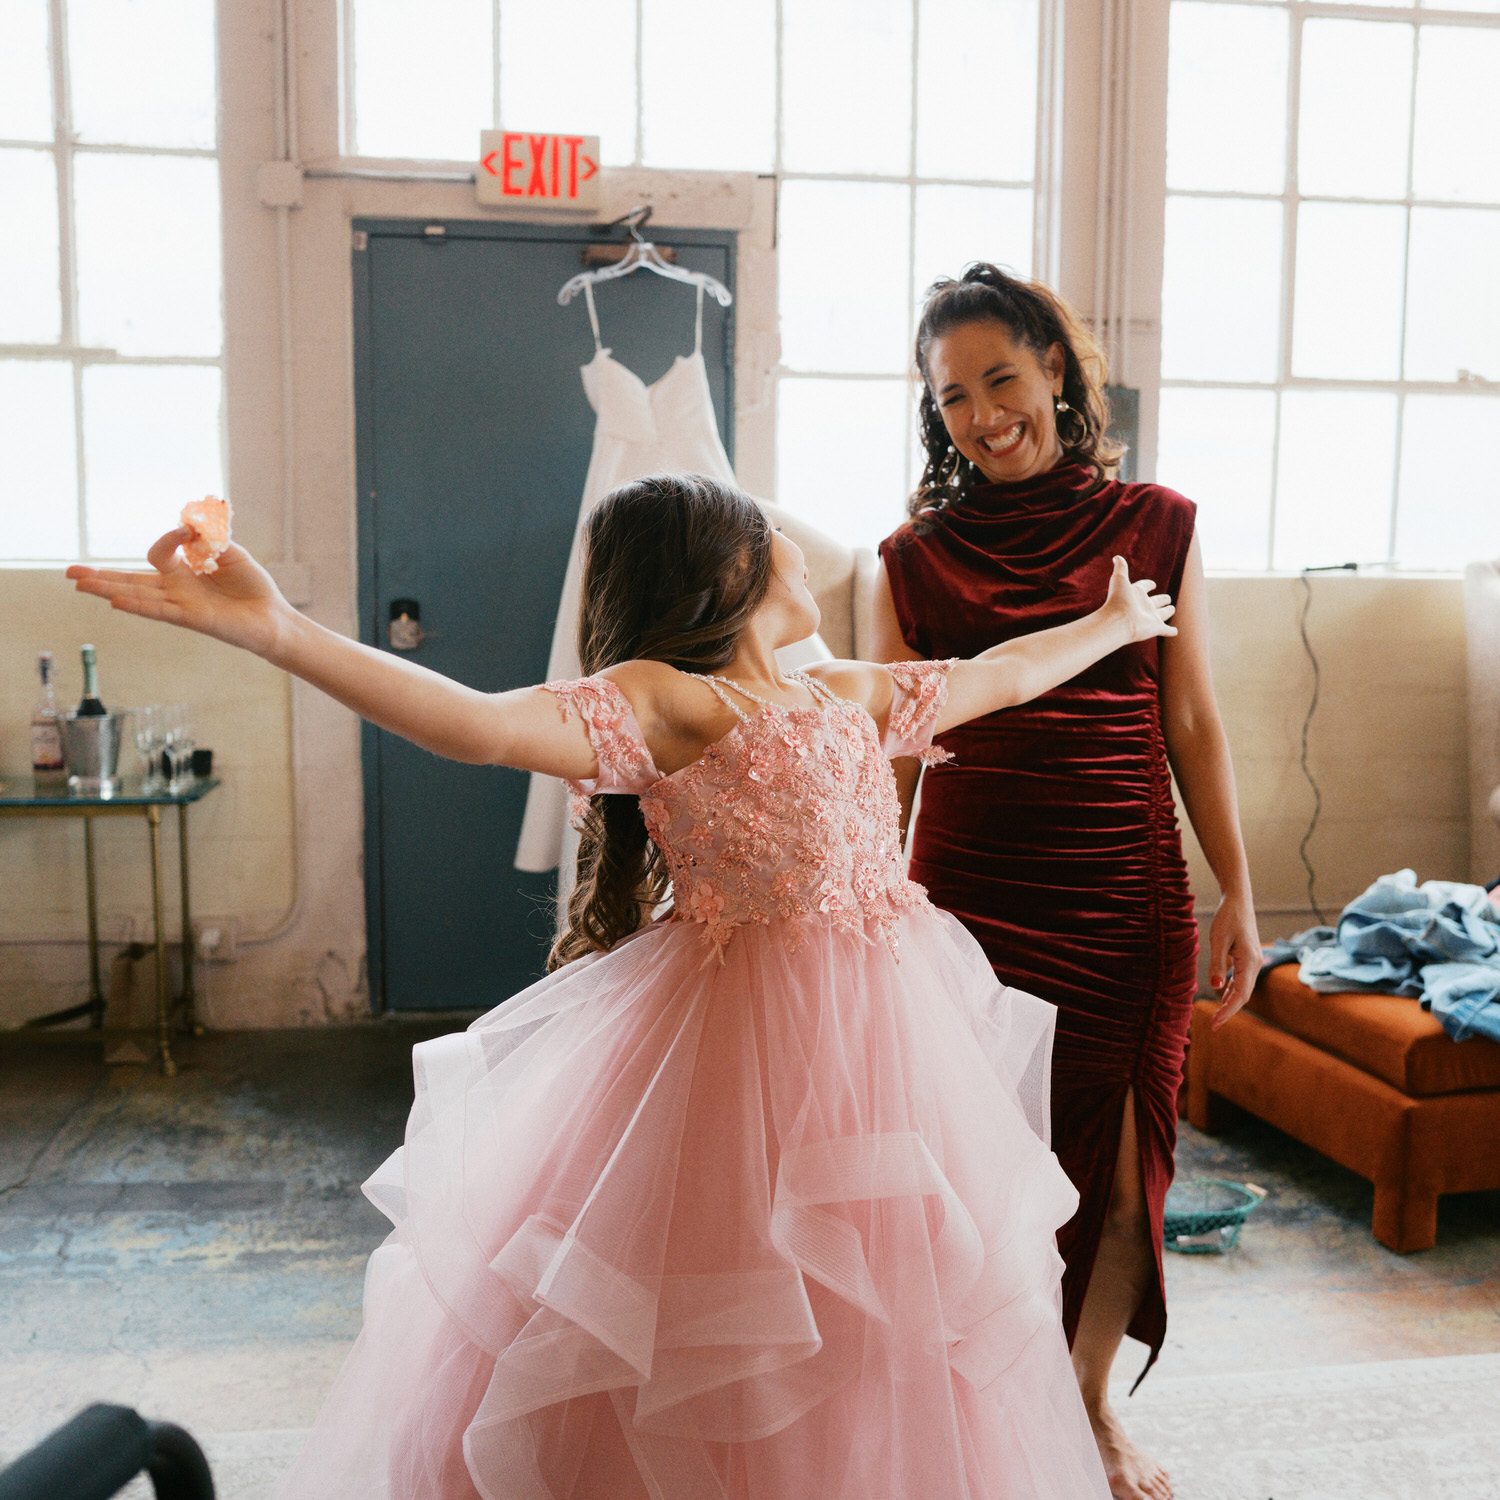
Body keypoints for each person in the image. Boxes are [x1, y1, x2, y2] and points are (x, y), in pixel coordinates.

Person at [69, 473, 1175, 1500]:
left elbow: (1000, 675)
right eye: (772, 532)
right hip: (734, 1063)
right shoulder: (670, 702)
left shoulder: (844, 693)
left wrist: (1113, 625)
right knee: (727, 1324)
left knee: (882, 1317)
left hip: (886, 1065)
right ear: (730, 572)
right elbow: (483, 724)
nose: (797, 546)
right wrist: (281, 633)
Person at [872, 265, 1262, 1500]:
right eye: (953, 396)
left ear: (1055, 368)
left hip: (1125, 899)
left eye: (1002, 378)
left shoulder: (1158, 523)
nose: (983, 414)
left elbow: (1191, 719)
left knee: (1123, 1160)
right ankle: (990, 1403)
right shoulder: (913, 558)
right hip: (968, 907)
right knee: (978, 1165)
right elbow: (892, 747)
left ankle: (1086, 1405)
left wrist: (1238, 890)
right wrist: (866, 905)